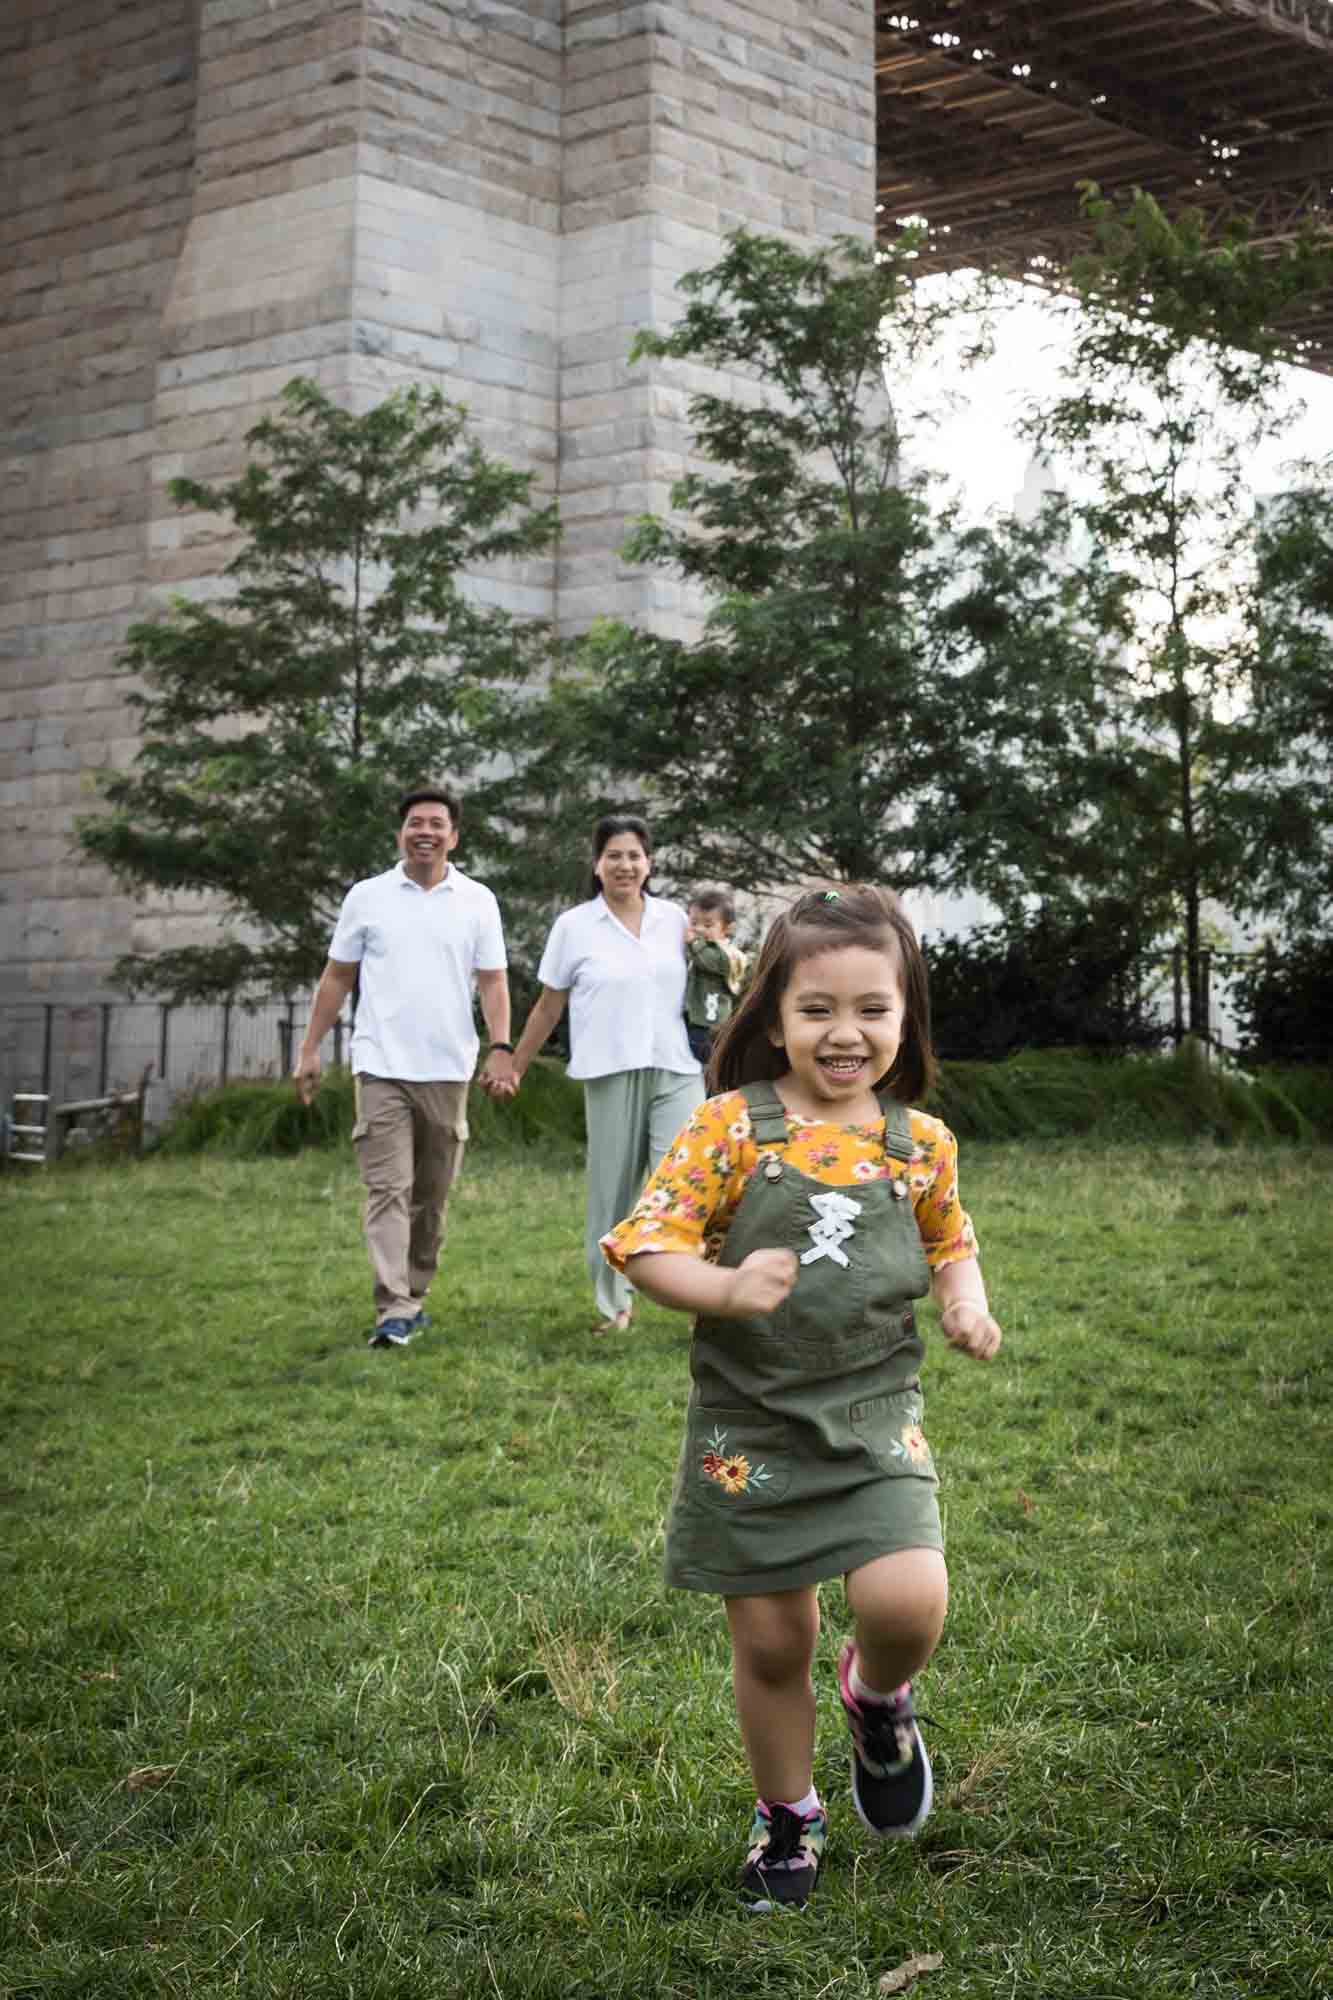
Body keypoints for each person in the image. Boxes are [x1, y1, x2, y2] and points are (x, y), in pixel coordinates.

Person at [601, 884, 1002, 1913]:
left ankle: (876, 1696)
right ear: (772, 1014)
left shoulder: (921, 1144)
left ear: (903, 1016)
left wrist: (966, 1304)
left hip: (875, 1412)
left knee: (906, 1599)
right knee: (774, 1639)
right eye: (817, 1008)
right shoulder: (729, 1127)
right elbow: (647, 1245)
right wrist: (726, 1286)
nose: (844, 1031)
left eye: (872, 1007)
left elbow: (950, 1242)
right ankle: (786, 1812)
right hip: (751, 1425)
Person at [293, 786, 516, 1348]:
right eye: (415, 822)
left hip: (447, 1068)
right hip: (381, 1066)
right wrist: (310, 1048)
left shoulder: (477, 900)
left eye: (437, 824)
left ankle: (414, 1291)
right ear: (401, 833)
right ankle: (393, 1306)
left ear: (454, 836)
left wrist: (501, 1046)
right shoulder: (368, 897)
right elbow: (338, 976)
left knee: (432, 1195)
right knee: (388, 1189)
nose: (426, 832)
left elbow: (492, 981)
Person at [495, 815, 704, 1332]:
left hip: (677, 1066)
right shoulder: (574, 926)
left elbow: (712, 990)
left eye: (634, 855)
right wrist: (514, 1064)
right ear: (597, 864)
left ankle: (707, 1296)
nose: (625, 865)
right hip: (610, 1071)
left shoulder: (676, 921)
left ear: (649, 863)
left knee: (686, 1181)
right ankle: (616, 1304)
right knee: (612, 1194)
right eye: (614, 855)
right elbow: (548, 1007)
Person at [684, 887, 748, 1068]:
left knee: (705, 1061)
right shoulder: (699, 947)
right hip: (693, 1019)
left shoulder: (726, 954)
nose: (699, 929)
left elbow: (707, 961)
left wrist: (692, 942)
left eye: (708, 925)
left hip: (708, 1023)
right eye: (694, 922)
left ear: (726, 928)